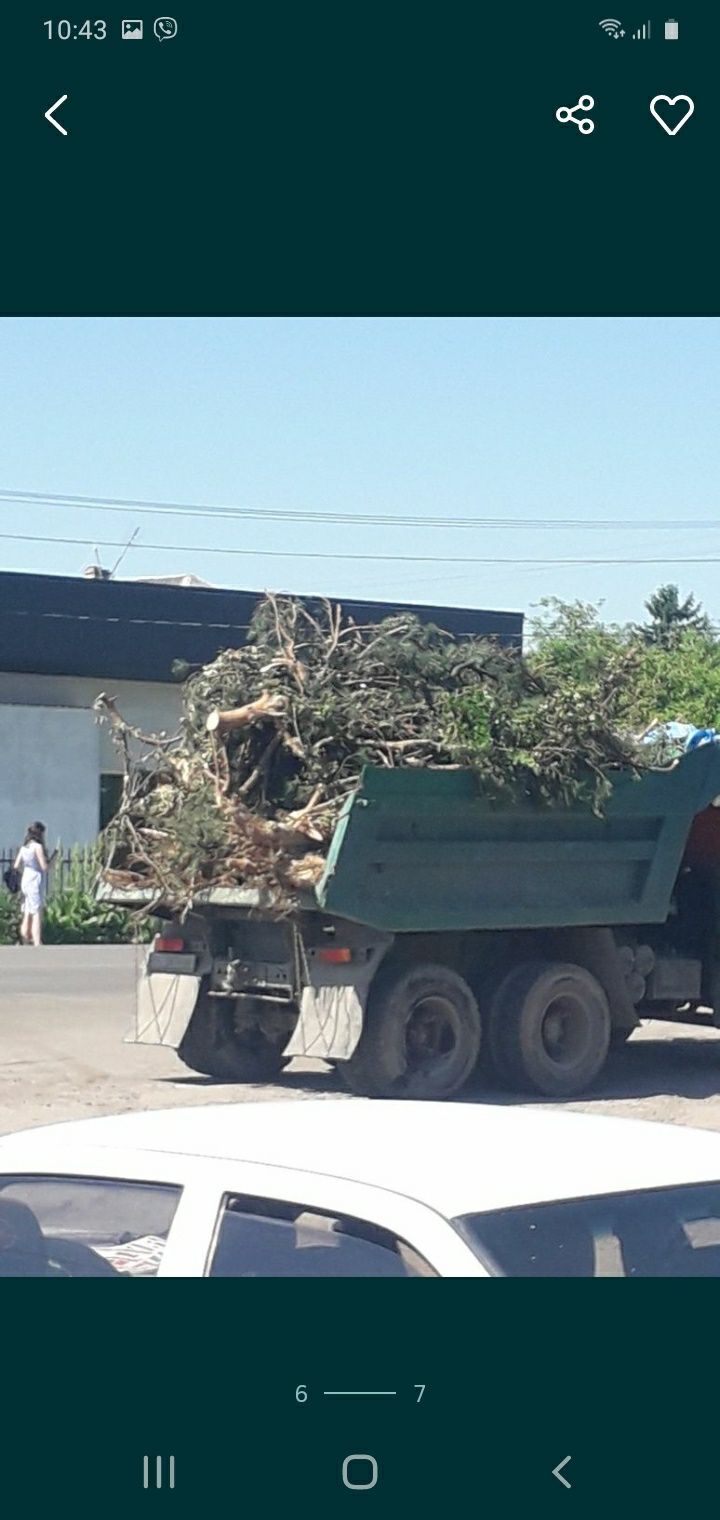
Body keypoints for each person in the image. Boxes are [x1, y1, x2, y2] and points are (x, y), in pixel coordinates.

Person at [13, 822, 56, 947]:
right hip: (34, 880)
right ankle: (37, 941)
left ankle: (25, 938)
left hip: (25, 879)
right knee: (37, 911)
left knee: (27, 911)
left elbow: (16, 866)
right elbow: (44, 867)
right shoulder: (37, 847)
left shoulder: (24, 848)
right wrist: (52, 861)